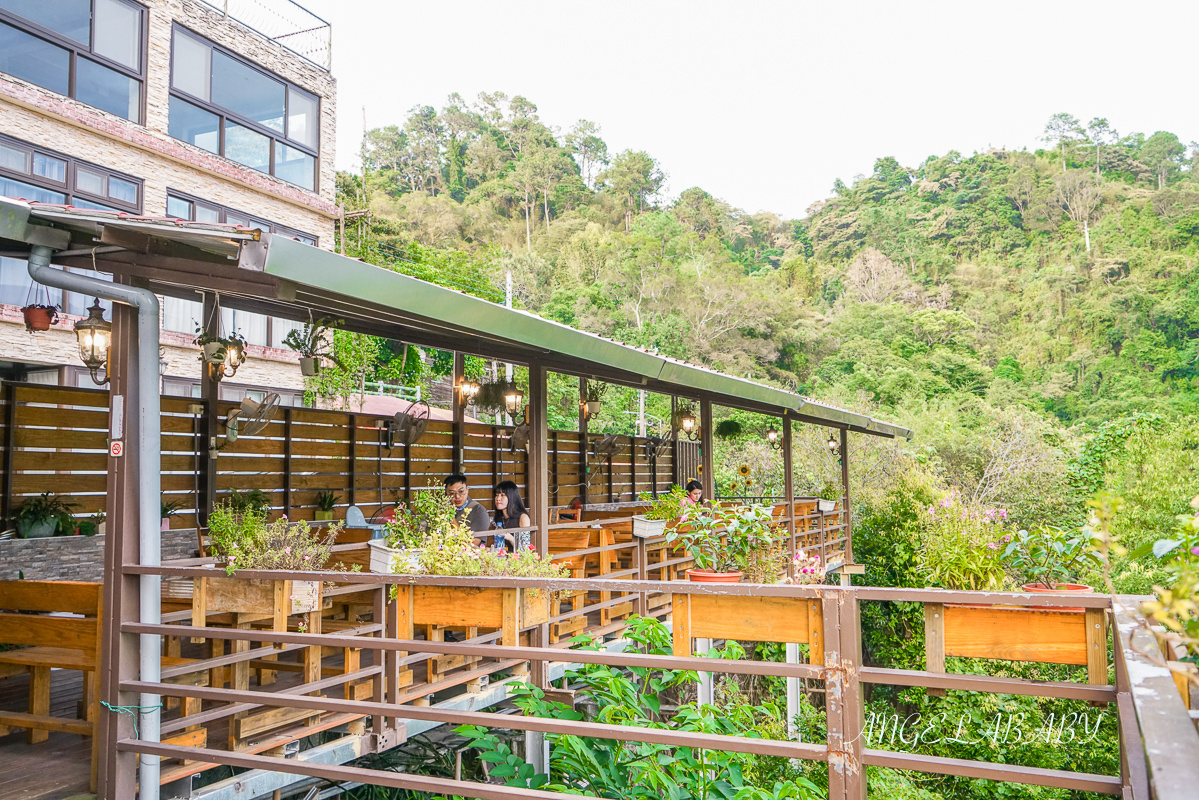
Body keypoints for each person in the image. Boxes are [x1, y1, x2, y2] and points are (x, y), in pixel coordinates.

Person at [492, 480, 532, 550]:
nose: (498, 499)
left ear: (511, 497)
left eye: (502, 495)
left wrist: (511, 538)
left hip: (517, 559)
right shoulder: (498, 518)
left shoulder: (523, 518)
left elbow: (525, 549)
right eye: (496, 495)